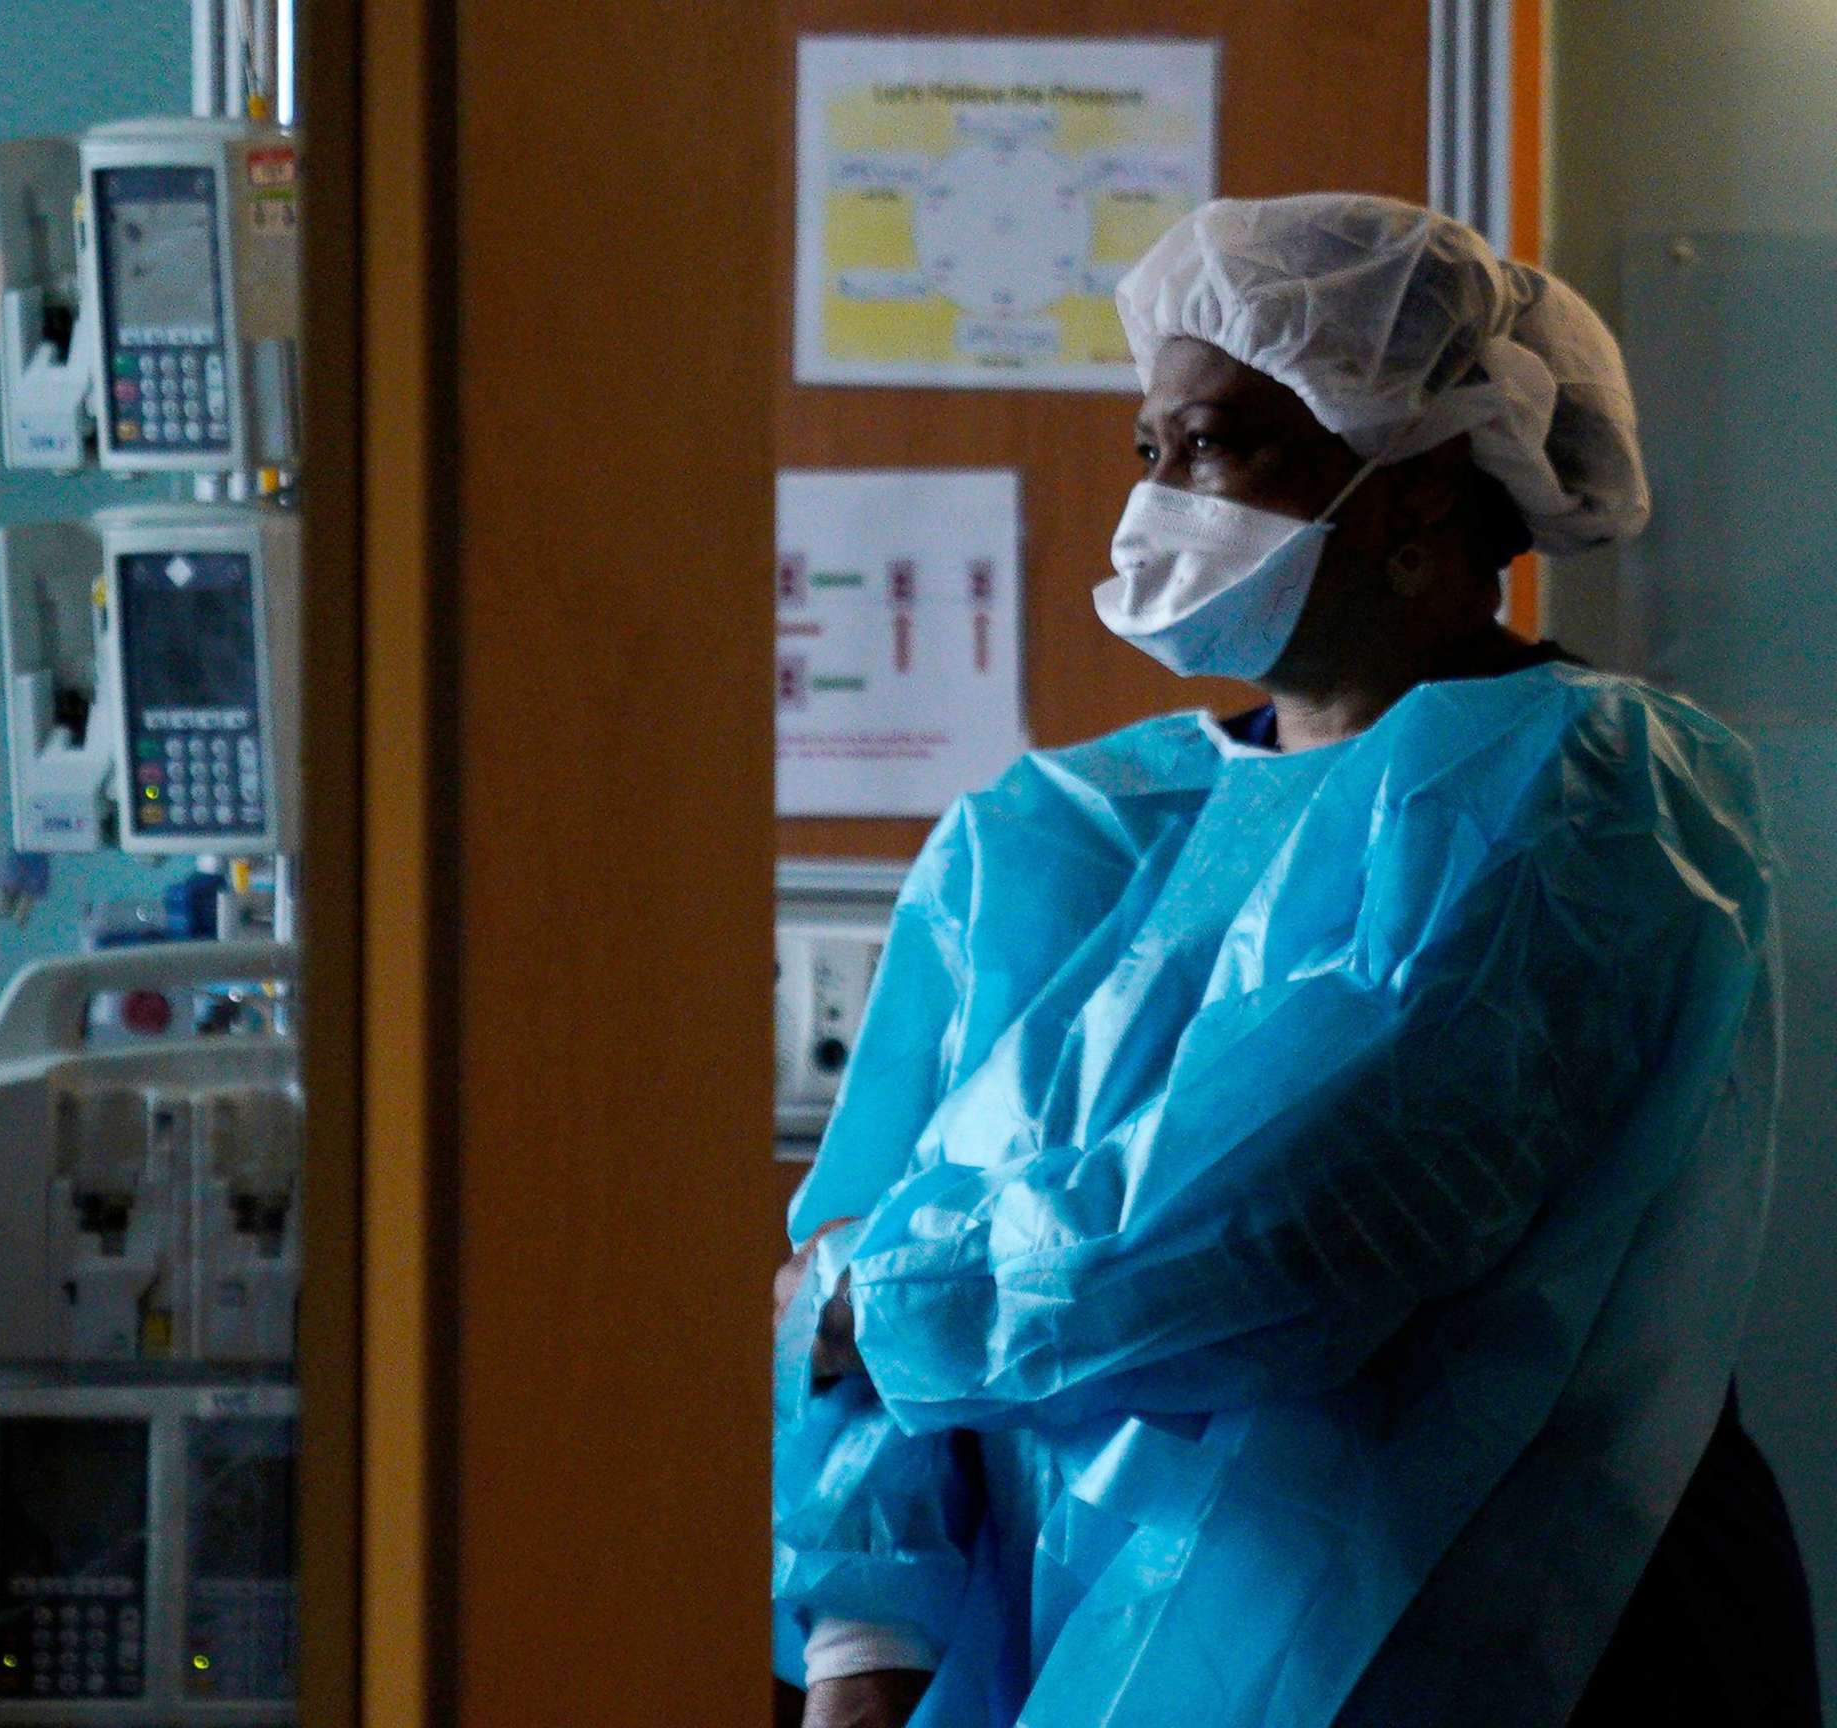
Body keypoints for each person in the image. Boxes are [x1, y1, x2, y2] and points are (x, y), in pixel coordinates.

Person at [771, 194, 1818, 1727]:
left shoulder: (1585, 792)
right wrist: (868, 1643)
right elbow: (858, 1262)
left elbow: (1283, 1233)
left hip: (1514, 1625)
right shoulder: (1053, 835)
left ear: (1417, 484)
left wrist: (892, 1296)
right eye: (1151, 449)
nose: (1161, 497)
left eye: (1217, 444)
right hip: (1080, 1635)